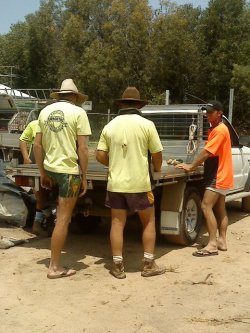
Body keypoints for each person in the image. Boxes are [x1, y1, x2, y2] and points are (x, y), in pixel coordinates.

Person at [96, 87, 166, 279]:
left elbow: (100, 154)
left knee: (117, 223)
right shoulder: (147, 125)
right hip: (140, 184)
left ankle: (118, 266)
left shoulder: (109, 126)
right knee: (148, 221)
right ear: (139, 105)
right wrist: (157, 168)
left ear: (121, 104)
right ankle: (148, 264)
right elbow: (157, 154)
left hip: (116, 184)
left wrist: (114, 163)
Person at [34, 78, 91, 279]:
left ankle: (54, 261)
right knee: (63, 219)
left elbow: (37, 146)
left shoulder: (44, 112)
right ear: (75, 96)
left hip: (51, 168)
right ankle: (54, 267)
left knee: (61, 216)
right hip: (69, 172)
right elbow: (83, 148)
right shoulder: (79, 113)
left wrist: (42, 172)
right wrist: (84, 176)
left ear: (59, 95)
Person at [176, 101, 233, 256]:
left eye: (210, 112)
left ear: (219, 113)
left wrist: (191, 166)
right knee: (220, 208)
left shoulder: (220, 130)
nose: (207, 115)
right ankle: (221, 241)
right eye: (206, 112)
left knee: (206, 206)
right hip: (220, 174)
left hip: (217, 175)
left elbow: (207, 152)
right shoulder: (216, 129)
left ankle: (212, 244)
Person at [19, 119, 51, 236]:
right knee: (40, 192)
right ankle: (39, 222)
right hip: (38, 160)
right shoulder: (34, 124)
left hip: (52, 160)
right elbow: (23, 140)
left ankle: (43, 219)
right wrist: (26, 157)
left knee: (44, 193)